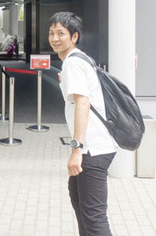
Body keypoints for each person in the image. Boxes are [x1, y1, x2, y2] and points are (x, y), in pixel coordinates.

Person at [48, 12, 117, 236]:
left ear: (74, 36)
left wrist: (76, 148)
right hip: (95, 147)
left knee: (94, 218)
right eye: (51, 33)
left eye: (61, 33)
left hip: (92, 149)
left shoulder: (73, 63)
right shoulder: (79, 59)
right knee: (78, 198)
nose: (55, 38)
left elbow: (82, 103)